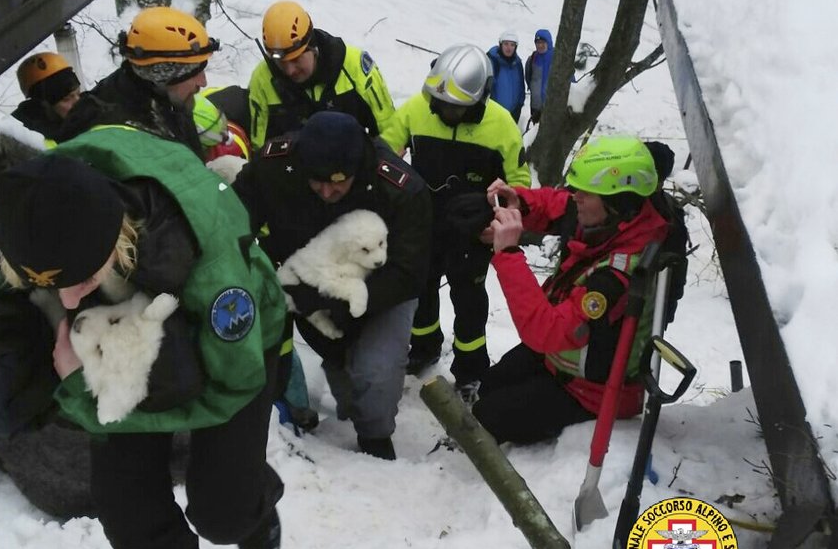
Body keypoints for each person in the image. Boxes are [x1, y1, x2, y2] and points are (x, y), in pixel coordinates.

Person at [0, 130, 289, 549]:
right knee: (122, 493)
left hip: (225, 350)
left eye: (81, 279)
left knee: (221, 510)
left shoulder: (208, 268)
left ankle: (252, 501)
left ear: (118, 240)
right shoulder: (17, 229)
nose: (65, 297)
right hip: (111, 338)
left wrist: (80, 395)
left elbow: (228, 388)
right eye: (47, 284)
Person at [232, 111, 432, 460]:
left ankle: (374, 437)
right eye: (317, 182)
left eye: (338, 182)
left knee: (377, 373)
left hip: (378, 289)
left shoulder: (400, 189)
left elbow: (408, 272)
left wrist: (338, 300)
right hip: (299, 278)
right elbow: (234, 219)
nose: (327, 191)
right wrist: (268, 265)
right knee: (333, 355)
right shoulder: (274, 166)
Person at [472, 135, 669, 446]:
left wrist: (509, 254)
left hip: (592, 391)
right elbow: (559, 204)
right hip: (562, 359)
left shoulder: (617, 277)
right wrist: (519, 202)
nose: (575, 196)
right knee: (491, 384)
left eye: (584, 193)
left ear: (617, 203)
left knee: (489, 415)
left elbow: (544, 332)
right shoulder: (612, 218)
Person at [380, 43, 529, 402]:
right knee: (421, 291)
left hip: (473, 232)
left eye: (455, 107)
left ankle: (471, 369)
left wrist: (499, 219)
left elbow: (520, 184)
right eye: (441, 103)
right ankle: (425, 345)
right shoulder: (418, 108)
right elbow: (384, 152)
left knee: (470, 302)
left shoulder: (501, 125)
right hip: (423, 224)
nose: (445, 111)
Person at [58, 6, 218, 153]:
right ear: (162, 75)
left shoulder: (168, 101)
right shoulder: (113, 131)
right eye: (194, 72)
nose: (203, 83)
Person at [247, 0, 396, 151]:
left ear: (312, 47)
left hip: (351, 167)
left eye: (296, 60)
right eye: (281, 63)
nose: (290, 70)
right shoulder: (262, 79)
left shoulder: (355, 66)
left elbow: (390, 133)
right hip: (291, 168)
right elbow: (258, 148)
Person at [11, 51, 81, 144]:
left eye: (78, 94)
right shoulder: (27, 141)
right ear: (42, 105)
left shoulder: (88, 112)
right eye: (67, 99)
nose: (78, 102)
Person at [487, 31, 525, 122]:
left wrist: (519, 106)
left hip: (513, 113)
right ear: (501, 45)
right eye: (506, 44)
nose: (509, 48)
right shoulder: (492, 61)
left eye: (512, 45)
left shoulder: (517, 64)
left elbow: (521, 86)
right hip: (494, 113)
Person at [524, 28, 554, 125]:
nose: (540, 45)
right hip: (535, 106)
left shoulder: (557, 58)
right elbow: (528, 77)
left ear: (548, 42)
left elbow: (571, 82)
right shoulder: (532, 58)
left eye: (543, 42)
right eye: (537, 42)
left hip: (552, 106)